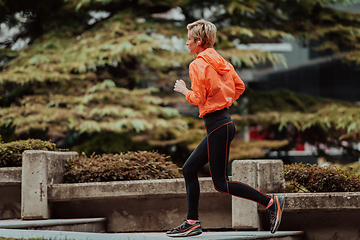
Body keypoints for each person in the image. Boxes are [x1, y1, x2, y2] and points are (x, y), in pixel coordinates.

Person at [166, 19, 285, 237]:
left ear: (199, 41)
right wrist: (222, 97)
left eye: (189, 39)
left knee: (220, 183)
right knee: (189, 169)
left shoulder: (197, 64)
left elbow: (197, 97)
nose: (186, 44)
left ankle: (269, 202)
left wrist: (183, 90)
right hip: (223, 123)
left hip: (217, 125)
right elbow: (239, 87)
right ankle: (192, 222)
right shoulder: (219, 60)